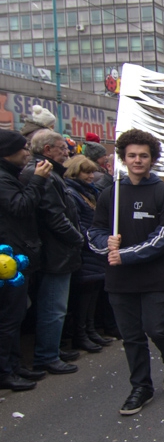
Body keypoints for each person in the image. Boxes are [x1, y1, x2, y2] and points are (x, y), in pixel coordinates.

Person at [87, 129, 164, 415]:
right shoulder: (110, 193)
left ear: (152, 158)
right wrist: (106, 242)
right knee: (131, 336)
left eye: (143, 155)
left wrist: (125, 254)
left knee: (155, 327)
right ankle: (141, 386)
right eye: (132, 155)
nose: (138, 160)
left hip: (154, 275)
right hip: (119, 278)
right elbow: (94, 231)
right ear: (123, 158)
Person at [20, 130, 83, 375]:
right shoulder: (44, 174)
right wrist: (77, 238)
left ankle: (51, 349)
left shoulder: (50, 173)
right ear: (47, 150)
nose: (67, 151)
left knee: (56, 306)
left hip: (57, 250)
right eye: (62, 148)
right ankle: (47, 355)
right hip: (55, 251)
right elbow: (54, 217)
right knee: (53, 307)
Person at [0, 129, 52, 391]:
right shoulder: (3, 180)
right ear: (7, 152)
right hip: (8, 261)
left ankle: (15, 365)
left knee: (16, 316)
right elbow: (19, 207)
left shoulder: (10, 176)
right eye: (22, 148)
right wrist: (38, 181)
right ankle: (5, 371)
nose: (27, 153)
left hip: (18, 255)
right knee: (9, 318)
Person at [63, 155, 112, 353]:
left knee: (93, 296)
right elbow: (80, 223)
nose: (91, 176)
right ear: (76, 171)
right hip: (87, 249)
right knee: (84, 297)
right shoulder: (73, 193)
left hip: (95, 250)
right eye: (86, 172)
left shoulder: (89, 193)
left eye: (92, 171)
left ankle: (90, 331)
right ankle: (81, 334)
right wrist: (93, 240)